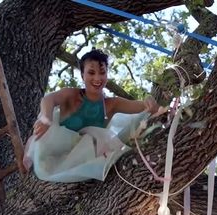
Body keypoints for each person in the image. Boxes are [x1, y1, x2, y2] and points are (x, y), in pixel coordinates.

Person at [24, 48, 159, 182]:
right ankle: (31, 151)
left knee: (96, 143)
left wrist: (148, 101)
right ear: (83, 75)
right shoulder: (72, 95)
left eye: (102, 73)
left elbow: (142, 106)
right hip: (53, 148)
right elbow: (49, 99)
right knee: (44, 138)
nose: (97, 78)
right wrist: (46, 118)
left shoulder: (112, 104)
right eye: (91, 72)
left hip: (81, 158)